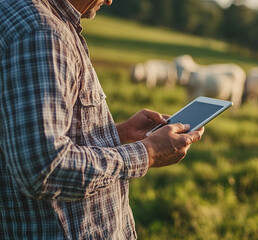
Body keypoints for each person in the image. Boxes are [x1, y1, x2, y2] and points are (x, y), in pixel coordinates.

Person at [0, 0, 204, 238]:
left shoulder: (22, 15)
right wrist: (147, 153)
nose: (109, 0)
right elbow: (44, 167)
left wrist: (117, 134)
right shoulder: (41, 33)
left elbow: (23, 136)